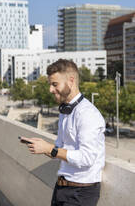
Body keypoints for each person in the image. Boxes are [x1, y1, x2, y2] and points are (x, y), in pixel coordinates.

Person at [21, 59, 105, 206]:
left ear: (71, 81)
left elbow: (87, 158)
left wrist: (50, 149)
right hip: (62, 188)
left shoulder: (87, 114)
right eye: (50, 85)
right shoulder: (64, 111)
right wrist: (42, 147)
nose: (50, 90)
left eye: (55, 84)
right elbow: (59, 150)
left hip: (81, 193)